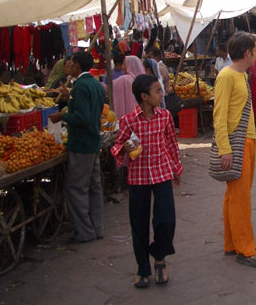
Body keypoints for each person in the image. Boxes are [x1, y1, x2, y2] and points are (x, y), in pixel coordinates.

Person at [111, 74, 183, 288]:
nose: (162, 94)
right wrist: (124, 148)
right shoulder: (128, 120)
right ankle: (143, 268)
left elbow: (171, 142)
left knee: (167, 220)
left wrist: (176, 167)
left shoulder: (165, 116)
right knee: (139, 224)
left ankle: (159, 256)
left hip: (162, 172)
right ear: (144, 96)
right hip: (138, 177)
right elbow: (116, 147)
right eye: (157, 91)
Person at [213, 32, 256, 268]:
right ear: (247, 53)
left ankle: (232, 242)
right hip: (236, 143)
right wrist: (224, 148)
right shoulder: (226, 76)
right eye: (255, 51)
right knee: (240, 198)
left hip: (247, 140)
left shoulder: (242, 75)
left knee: (234, 196)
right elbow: (219, 115)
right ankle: (245, 248)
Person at [49, 51, 105, 244]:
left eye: (71, 63)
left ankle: (84, 231)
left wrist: (62, 116)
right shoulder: (95, 84)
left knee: (75, 188)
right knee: (94, 187)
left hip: (81, 144)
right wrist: (70, 96)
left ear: (78, 66)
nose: (69, 67)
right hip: (93, 141)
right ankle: (96, 227)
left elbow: (82, 117)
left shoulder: (81, 86)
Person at [112, 56, 146, 120]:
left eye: (124, 64)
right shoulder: (145, 81)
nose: (122, 67)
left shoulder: (124, 79)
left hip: (129, 118)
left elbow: (110, 86)